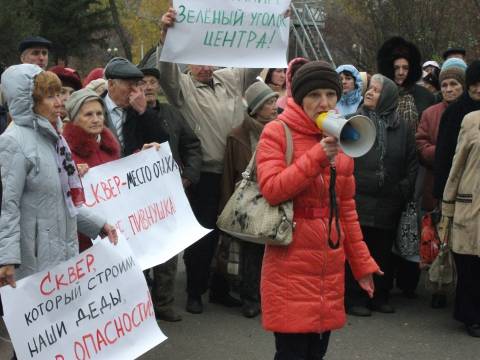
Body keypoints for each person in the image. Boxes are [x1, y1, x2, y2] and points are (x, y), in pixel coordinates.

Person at [256, 60, 380, 359]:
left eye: (330, 94)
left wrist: (362, 265)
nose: (323, 102)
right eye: (314, 95)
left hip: (329, 264)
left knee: (316, 352)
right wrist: (316, 156)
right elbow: (272, 189)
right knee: (291, 353)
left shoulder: (343, 138)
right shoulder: (277, 132)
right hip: (290, 262)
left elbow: (346, 210)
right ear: (299, 98)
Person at [158, 7, 260, 314]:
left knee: (230, 233)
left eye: (208, 59)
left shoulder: (229, 78)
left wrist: (276, 28)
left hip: (236, 173)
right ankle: (194, 291)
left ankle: (219, 289)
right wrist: (166, 35)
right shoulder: (182, 88)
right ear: (187, 60)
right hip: (203, 174)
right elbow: (165, 72)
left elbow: (253, 63)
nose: (204, 66)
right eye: (197, 60)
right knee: (202, 235)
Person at [0, 64, 118, 289]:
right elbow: (8, 205)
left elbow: (65, 199)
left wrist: (100, 224)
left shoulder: (55, 138)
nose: (59, 102)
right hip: (33, 258)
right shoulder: (13, 141)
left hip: (64, 249)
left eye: (58, 95)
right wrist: (7, 259)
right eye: (49, 96)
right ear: (29, 101)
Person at [345, 74, 418, 316]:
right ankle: (355, 298)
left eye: (376, 90)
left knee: (383, 252)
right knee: (357, 250)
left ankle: (379, 296)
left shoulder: (403, 128)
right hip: (358, 199)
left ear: (387, 96)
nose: (369, 93)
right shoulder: (354, 122)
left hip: (389, 201)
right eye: (369, 89)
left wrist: (403, 189)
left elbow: (411, 163)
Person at [138, 67, 202, 322]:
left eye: (153, 82)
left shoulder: (172, 114)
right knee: (141, 251)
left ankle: (164, 303)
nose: (149, 86)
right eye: (143, 82)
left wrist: (189, 176)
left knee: (167, 249)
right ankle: (140, 307)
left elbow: (192, 144)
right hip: (138, 196)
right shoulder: (130, 116)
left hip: (169, 193)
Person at [219, 81, 278, 318]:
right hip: (250, 201)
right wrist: (225, 206)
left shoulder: (284, 128)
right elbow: (228, 173)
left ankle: (271, 297)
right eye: (268, 103)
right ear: (256, 108)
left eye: (274, 101)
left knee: (275, 250)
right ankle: (251, 298)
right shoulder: (238, 136)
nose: (274, 106)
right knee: (251, 252)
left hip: (277, 194)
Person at [62, 89, 121, 251]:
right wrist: (70, 175)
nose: (96, 120)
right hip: (84, 244)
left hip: (115, 237)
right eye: (88, 115)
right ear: (74, 119)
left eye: (99, 114)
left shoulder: (110, 148)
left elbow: (122, 184)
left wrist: (143, 156)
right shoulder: (64, 153)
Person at [441, 107, 480, 338]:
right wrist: (447, 205)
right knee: (470, 264)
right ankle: (471, 316)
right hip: (472, 203)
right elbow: (458, 164)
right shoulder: (472, 120)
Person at [101, 57, 169, 156]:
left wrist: (144, 112)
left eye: (136, 84)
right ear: (111, 84)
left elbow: (162, 142)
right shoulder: (94, 108)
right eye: (129, 85)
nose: (135, 91)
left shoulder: (139, 111)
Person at [433, 60, 480, 201]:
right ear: (468, 85)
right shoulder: (454, 112)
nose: (479, 89)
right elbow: (443, 156)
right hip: (462, 192)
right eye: (475, 85)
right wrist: (443, 197)